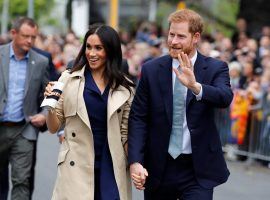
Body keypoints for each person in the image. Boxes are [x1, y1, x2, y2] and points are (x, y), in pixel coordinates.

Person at [128, 9, 233, 200]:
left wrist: (195, 86)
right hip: (159, 166)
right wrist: (135, 160)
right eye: (171, 34)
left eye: (181, 36)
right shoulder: (152, 69)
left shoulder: (215, 68)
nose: (173, 41)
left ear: (196, 37)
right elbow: (138, 117)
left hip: (197, 169)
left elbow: (224, 97)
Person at [44, 24, 134, 200]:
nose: (92, 53)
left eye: (98, 48)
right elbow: (53, 127)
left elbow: (125, 134)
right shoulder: (68, 79)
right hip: (76, 166)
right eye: (88, 47)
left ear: (110, 50)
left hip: (112, 166)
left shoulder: (125, 87)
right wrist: (50, 105)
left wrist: (137, 162)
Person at [0, 17, 49, 200]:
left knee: (22, 181)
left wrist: (44, 114)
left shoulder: (41, 62)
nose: (30, 40)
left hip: (24, 129)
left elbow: (49, 96)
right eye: (25, 36)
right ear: (14, 34)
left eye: (33, 37)